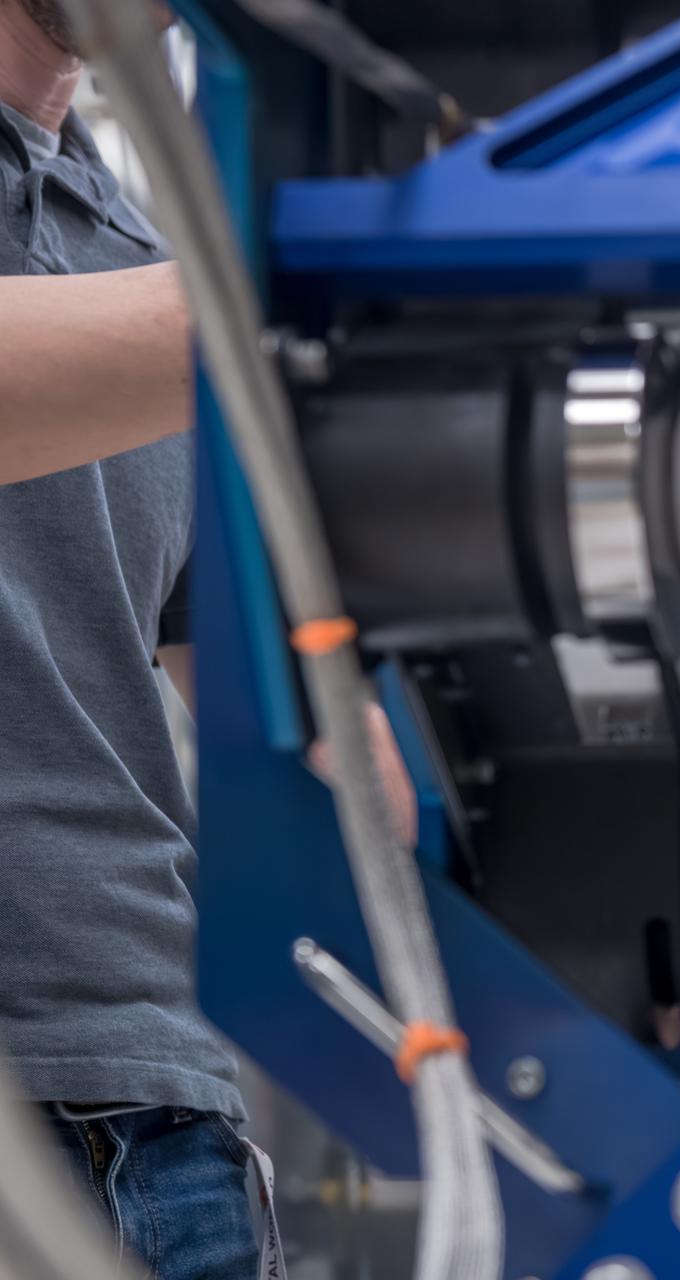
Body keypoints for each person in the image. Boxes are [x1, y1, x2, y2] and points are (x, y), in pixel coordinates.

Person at [0, 3, 410, 1274]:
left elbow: (304, 720)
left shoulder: (131, 244)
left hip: (167, 1101)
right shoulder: (195, 312)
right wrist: (309, 297)